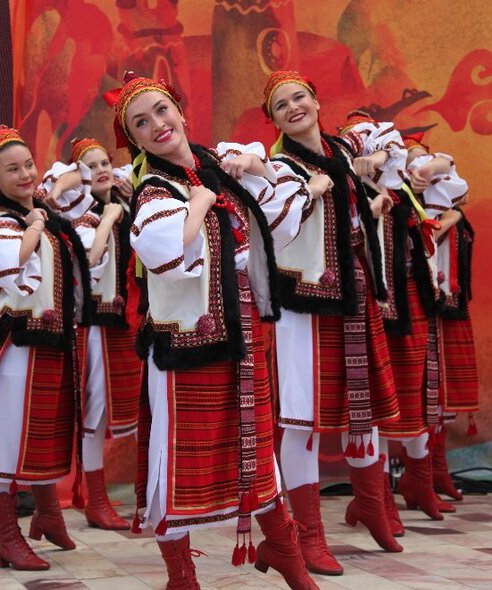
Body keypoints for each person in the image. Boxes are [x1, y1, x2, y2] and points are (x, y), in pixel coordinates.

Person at [109, 72, 318, 589]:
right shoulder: (155, 191)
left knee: (256, 446)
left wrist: (260, 166)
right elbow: (167, 258)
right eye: (141, 123)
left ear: (180, 111)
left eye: (161, 111)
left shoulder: (218, 167)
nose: (157, 125)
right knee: (172, 457)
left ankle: (285, 549)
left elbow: (281, 221)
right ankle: (181, 574)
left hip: (243, 337)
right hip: (187, 346)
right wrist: (200, 203)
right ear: (135, 141)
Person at [261, 71, 403, 559]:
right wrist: (312, 191)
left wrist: (378, 158)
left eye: (300, 96)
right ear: (275, 121)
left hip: (353, 295)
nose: (293, 107)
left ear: (318, 101)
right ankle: (309, 535)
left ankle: (373, 508)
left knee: (362, 415)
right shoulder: (278, 168)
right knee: (300, 419)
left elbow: (390, 139)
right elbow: (273, 231)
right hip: (301, 305)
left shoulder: (343, 148)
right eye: (281, 105)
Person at [0, 125, 93, 570]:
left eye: (28, 165)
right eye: (13, 169)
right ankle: (7, 536)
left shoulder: (45, 213)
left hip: (50, 342)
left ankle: (48, 514)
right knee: (4, 440)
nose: (25, 174)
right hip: (16, 347)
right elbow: (12, 263)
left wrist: (46, 208)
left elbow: (82, 186)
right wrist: (35, 224)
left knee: (42, 432)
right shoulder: (5, 222)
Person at [337, 112, 455, 533]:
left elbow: (452, 179)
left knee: (410, 392)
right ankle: (377, 498)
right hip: (368, 301)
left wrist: (418, 166)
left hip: (407, 299)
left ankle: (414, 485)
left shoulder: (400, 181)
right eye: (362, 141)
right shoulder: (347, 185)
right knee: (374, 399)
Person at [66, 137, 142, 529]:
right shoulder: (85, 215)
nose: (101, 170)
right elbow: (89, 258)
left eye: (103, 163)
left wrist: (122, 209)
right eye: (90, 166)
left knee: (131, 406)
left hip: (126, 321)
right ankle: (95, 501)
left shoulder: (126, 206)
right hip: (95, 323)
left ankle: (145, 495)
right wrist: (110, 216)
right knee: (94, 413)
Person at [405, 132, 477, 502]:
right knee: (422, 381)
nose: (418, 160)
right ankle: (418, 473)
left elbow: (455, 180)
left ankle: (437, 468)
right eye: (411, 153)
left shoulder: (440, 182)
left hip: (446, 285)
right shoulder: (398, 186)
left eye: (422, 153)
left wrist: (452, 215)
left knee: (442, 380)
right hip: (419, 288)